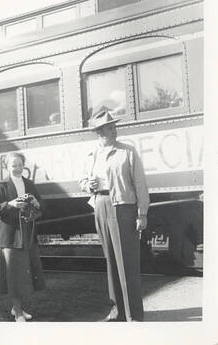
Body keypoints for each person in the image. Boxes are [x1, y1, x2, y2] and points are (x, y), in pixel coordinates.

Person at [79, 110, 150, 322]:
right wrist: (87, 185)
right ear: (99, 132)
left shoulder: (127, 152)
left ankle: (134, 314)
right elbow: (82, 181)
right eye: (109, 127)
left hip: (123, 208)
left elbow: (140, 184)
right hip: (100, 204)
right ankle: (117, 311)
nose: (114, 130)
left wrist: (142, 213)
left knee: (127, 261)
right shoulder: (92, 155)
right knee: (110, 260)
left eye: (114, 126)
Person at [0, 152, 45, 322]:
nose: (17, 168)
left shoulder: (29, 184)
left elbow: (42, 206)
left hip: (27, 232)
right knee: (13, 274)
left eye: (20, 165)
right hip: (10, 234)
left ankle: (17, 308)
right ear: (7, 167)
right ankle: (18, 312)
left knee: (24, 272)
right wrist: (10, 204)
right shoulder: (2, 185)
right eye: (13, 165)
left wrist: (36, 203)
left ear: (23, 165)